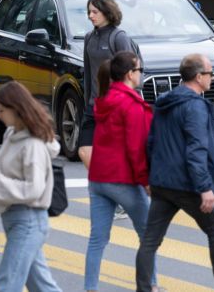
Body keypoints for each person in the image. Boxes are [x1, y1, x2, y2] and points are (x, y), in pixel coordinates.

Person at [136, 54, 214, 292]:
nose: (212, 78)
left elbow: (151, 142)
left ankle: (144, 288)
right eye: (210, 74)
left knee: (150, 240)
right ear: (199, 77)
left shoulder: (164, 102)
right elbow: (196, 150)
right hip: (186, 184)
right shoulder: (195, 106)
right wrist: (204, 187)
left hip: (162, 182)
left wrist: (149, 177)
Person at [0, 81, 62, 292]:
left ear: (17, 109)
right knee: (42, 286)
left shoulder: (33, 145)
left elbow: (33, 189)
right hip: (16, 218)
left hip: (28, 220)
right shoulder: (12, 135)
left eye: (1, 110)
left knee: (4, 285)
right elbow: (11, 170)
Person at [85, 51, 159, 292]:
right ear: (129, 74)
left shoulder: (105, 99)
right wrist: (146, 181)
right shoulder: (131, 104)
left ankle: (90, 289)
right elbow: (137, 149)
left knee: (97, 239)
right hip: (123, 179)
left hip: (98, 178)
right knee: (148, 236)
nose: (141, 74)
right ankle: (151, 285)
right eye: (139, 70)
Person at [79, 0, 134, 169]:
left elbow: (129, 72)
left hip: (114, 105)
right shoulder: (89, 37)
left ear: (107, 12)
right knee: (84, 150)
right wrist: (88, 101)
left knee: (113, 151)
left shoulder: (119, 37)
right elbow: (88, 72)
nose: (90, 16)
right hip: (93, 104)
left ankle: (108, 179)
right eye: (89, 12)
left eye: (95, 12)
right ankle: (100, 177)